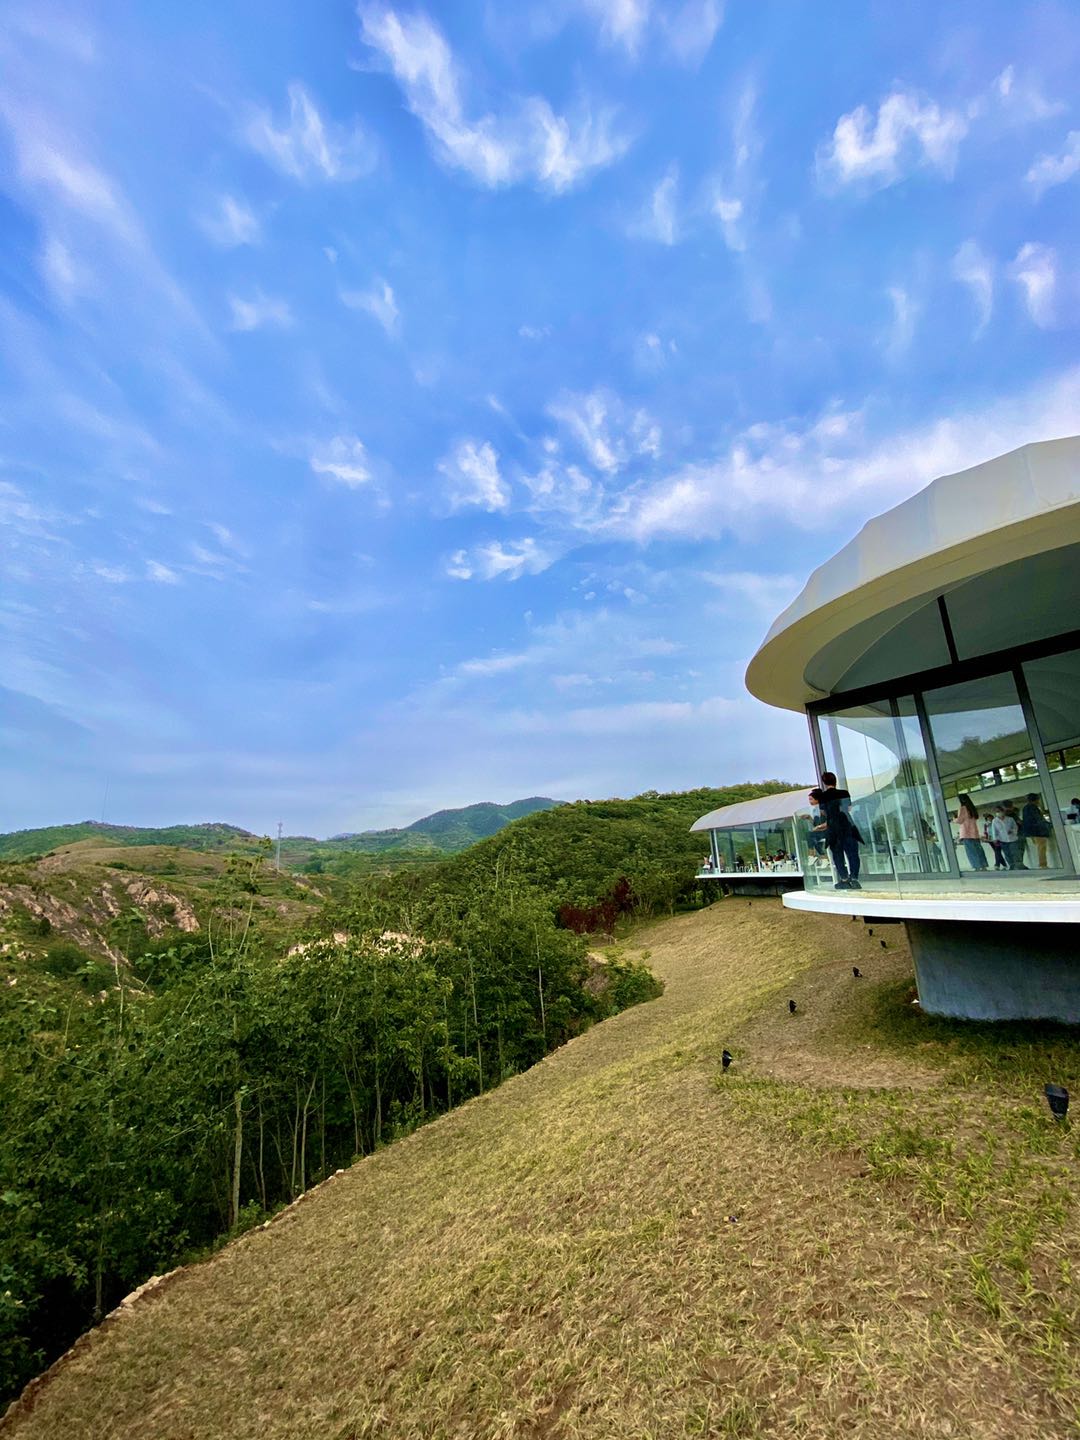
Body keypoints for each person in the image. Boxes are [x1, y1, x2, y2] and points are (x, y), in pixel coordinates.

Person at [812, 772, 863, 890]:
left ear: (824, 783)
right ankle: (854, 878)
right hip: (847, 825)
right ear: (835, 781)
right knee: (853, 854)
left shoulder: (823, 797)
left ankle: (844, 879)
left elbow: (824, 812)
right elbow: (848, 808)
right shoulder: (844, 793)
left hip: (833, 827)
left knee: (837, 854)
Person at [955, 793, 988, 870]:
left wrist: (953, 819)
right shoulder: (972, 808)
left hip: (966, 833)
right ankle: (983, 866)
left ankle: (976, 867)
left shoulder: (962, 808)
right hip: (974, 833)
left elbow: (960, 820)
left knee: (971, 852)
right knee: (979, 850)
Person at [1020, 793, 1052, 868]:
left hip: (1031, 832)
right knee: (1041, 848)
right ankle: (1043, 864)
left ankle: (1042, 864)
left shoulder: (1025, 808)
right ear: (1036, 800)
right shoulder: (1033, 807)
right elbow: (1038, 819)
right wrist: (1047, 824)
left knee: (1039, 847)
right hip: (1038, 831)